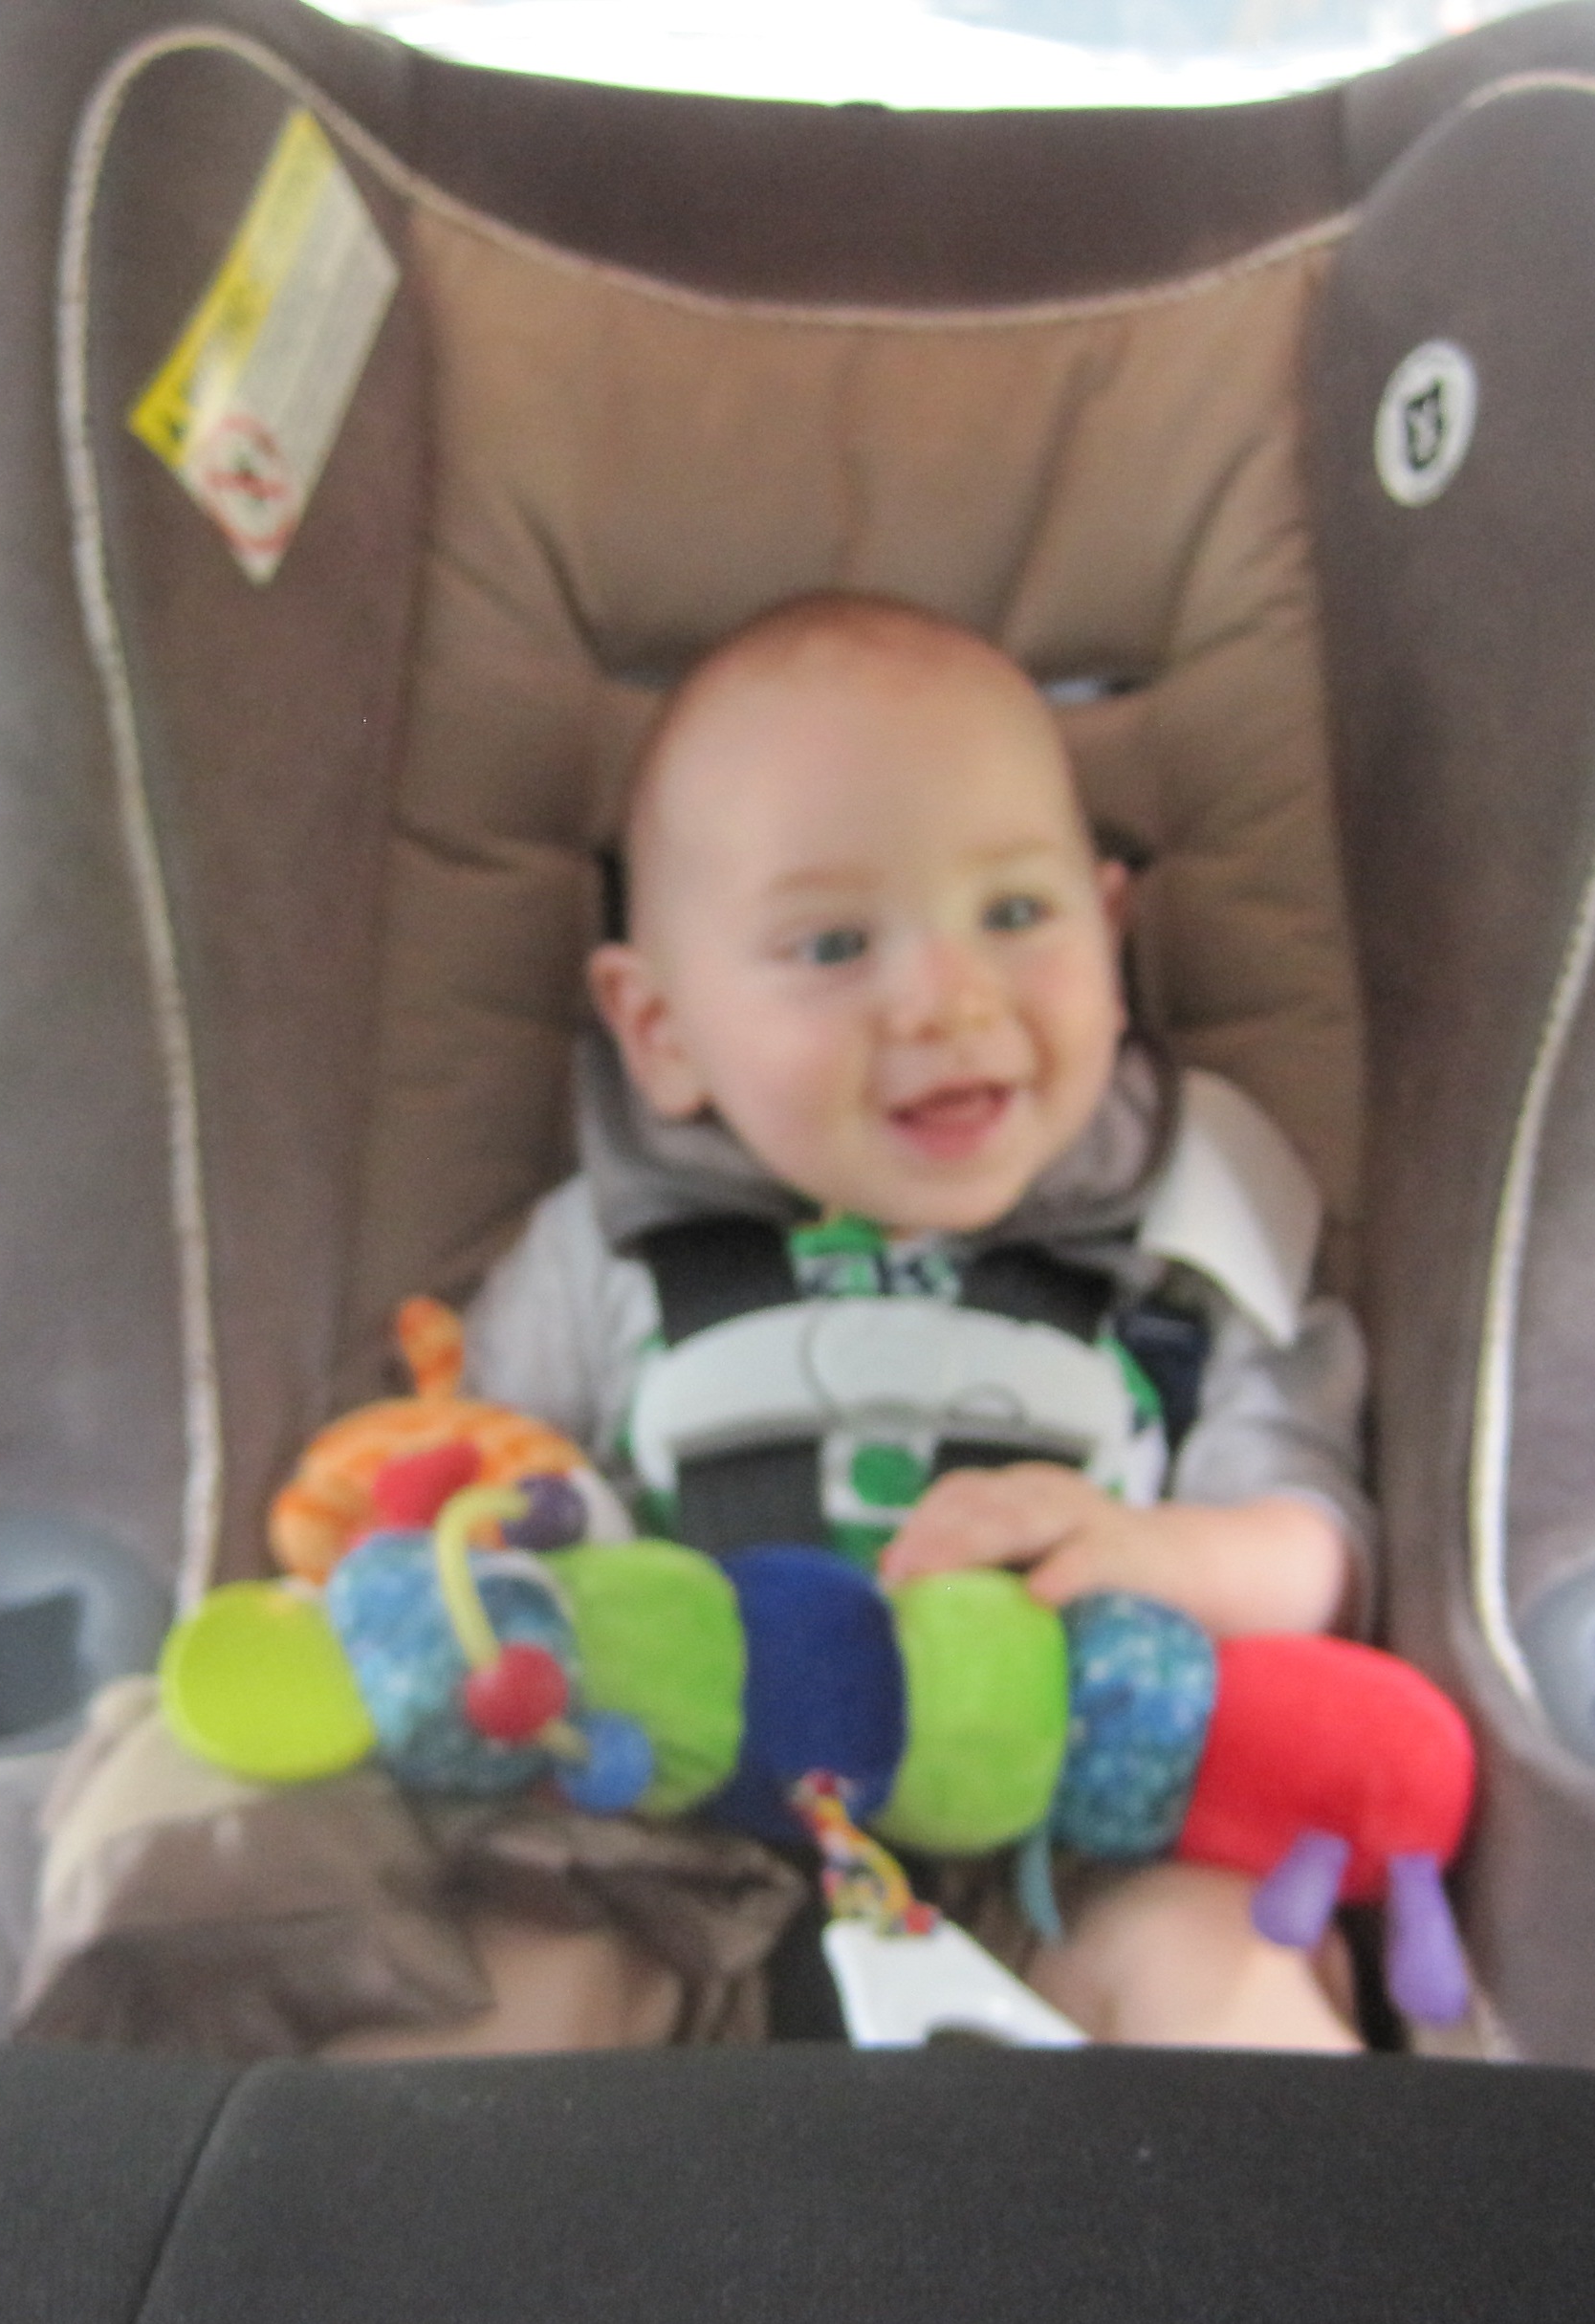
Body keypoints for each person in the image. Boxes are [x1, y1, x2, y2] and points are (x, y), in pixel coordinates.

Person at [390, 588, 1377, 2054]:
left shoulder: (1187, 1219)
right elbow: (480, 1487)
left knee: (1220, 1951)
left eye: (1017, 913)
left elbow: (1317, 1542)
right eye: (834, 943)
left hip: (1067, 1845)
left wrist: (1157, 1553)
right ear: (659, 1028)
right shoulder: (604, 1248)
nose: (946, 998)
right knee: (493, 1976)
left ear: (1110, 930)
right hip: (671, 1848)